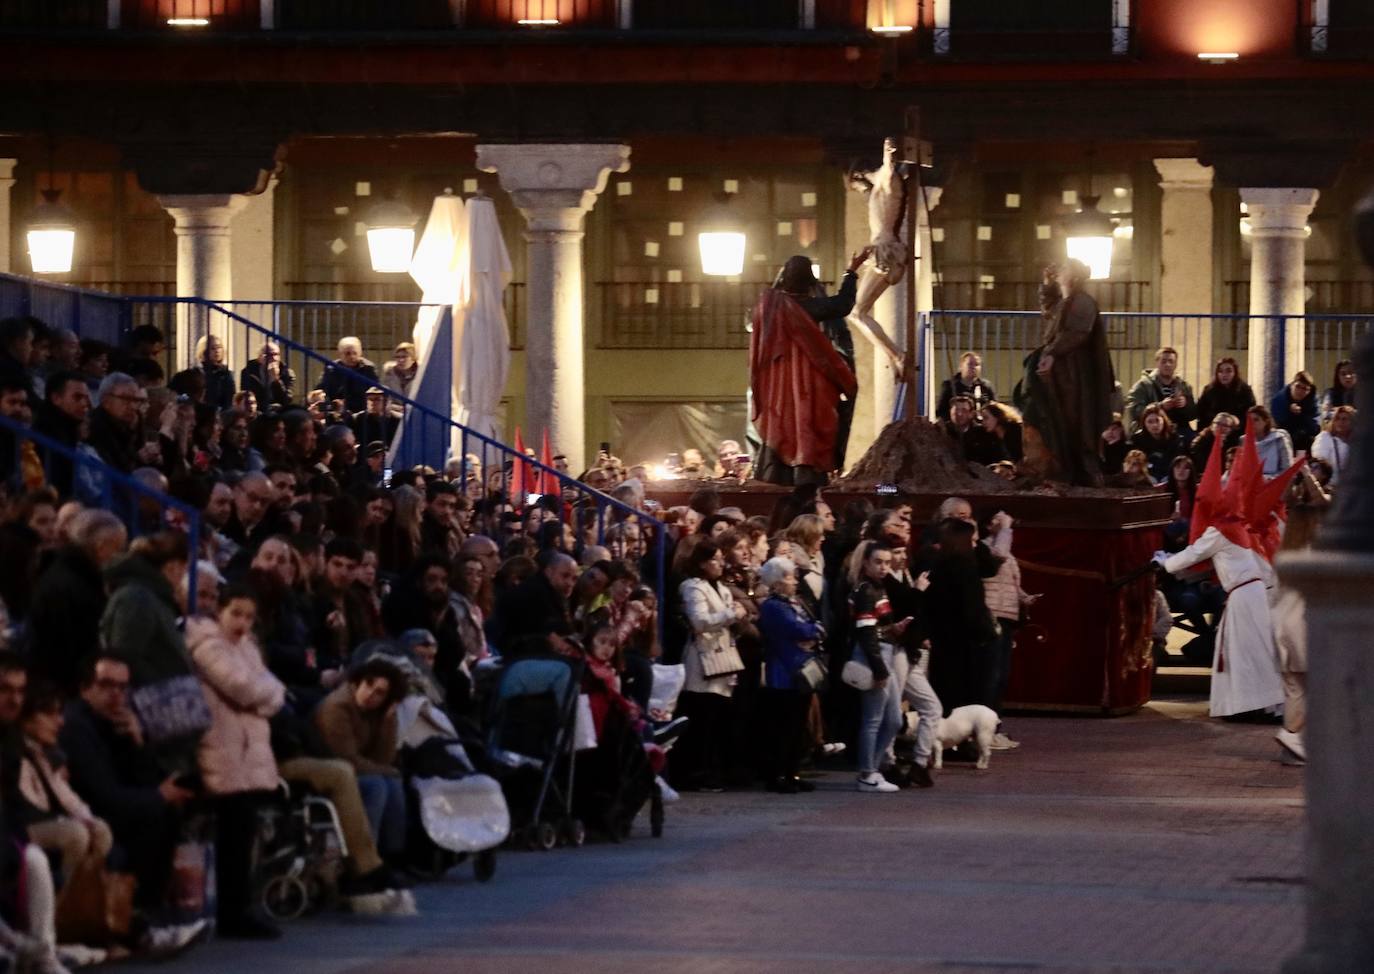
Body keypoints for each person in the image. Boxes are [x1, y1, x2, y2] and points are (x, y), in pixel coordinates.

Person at [1155, 423, 1303, 718]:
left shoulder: (1220, 530)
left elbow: (1193, 554)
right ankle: (1250, 704)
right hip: (1250, 594)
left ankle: (1255, 706)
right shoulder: (1236, 527)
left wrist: (1163, 561)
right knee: (1245, 651)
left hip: (1245, 596)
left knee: (1247, 652)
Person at [185, 585, 285, 939]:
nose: (242, 622)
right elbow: (242, 686)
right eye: (236, 613)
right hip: (223, 751)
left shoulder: (246, 647)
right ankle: (233, 911)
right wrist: (263, 696)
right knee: (233, 835)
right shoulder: (208, 645)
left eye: (248, 616)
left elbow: (272, 690)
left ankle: (242, 905)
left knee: (244, 835)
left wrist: (263, 696)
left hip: (245, 753)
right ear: (221, 612)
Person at [59, 654, 191, 911]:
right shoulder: (76, 727)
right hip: (90, 814)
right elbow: (103, 796)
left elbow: (143, 778)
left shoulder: (113, 722)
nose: (116, 695)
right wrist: (159, 796)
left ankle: (149, 910)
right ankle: (141, 912)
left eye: (122, 687)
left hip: (113, 809)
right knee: (155, 813)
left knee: (166, 810)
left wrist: (137, 741)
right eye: (106, 685)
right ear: (86, 688)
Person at [749, 251, 867, 485]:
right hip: (810, 379)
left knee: (782, 423)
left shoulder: (768, 306)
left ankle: (776, 471)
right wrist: (851, 271)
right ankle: (807, 469)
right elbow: (843, 304)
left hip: (778, 382)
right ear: (810, 281)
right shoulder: (810, 307)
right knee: (808, 420)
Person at [1022, 260, 1115, 486]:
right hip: (1062, 372)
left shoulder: (1084, 302)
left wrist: (1051, 353)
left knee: (1076, 421)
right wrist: (1046, 284)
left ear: (1073, 276)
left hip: (1075, 374)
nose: (1059, 272)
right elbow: (1050, 312)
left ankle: (1082, 470)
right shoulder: (1066, 301)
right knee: (1059, 418)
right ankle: (1062, 466)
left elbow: (1076, 332)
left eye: (1064, 269)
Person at [17, 681, 115, 886]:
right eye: (50, 715)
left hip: (45, 820)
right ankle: (65, 903)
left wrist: (85, 817)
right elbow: (25, 808)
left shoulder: (42, 754)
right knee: (75, 834)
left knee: (99, 829)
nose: (60, 722)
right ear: (27, 719)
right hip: (19, 828)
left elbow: (64, 794)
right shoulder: (15, 753)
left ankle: (87, 899)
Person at [314, 657, 408, 870]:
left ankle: (392, 857)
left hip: (355, 768)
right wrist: (387, 770)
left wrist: (387, 721)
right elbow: (346, 758)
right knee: (377, 785)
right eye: (368, 685)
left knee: (392, 783)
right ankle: (364, 861)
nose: (370, 695)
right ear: (359, 681)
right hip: (332, 769)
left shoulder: (376, 712)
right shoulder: (337, 707)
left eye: (380, 693)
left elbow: (383, 758)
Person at [27, 509, 126, 695]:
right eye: (118, 549)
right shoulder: (73, 586)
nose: (119, 558)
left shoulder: (67, 576)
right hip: (64, 690)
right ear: (101, 546)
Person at [675, 540, 744, 792]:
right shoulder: (693, 587)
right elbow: (699, 621)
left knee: (716, 720)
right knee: (701, 718)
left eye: (721, 558)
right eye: (715, 559)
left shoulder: (723, 589)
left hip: (723, 657)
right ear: (703, 563)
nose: (720, 563)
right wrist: (730, 615)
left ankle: (712, 770)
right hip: (703, 659)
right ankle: (696, 773)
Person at [848, 540, 912, 794]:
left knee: (894, 719)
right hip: (873, 656)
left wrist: (893, 629)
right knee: (873, 719)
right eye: (878, 562)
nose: (884, 567)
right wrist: (879, 668)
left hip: (884, 650)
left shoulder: (878, 588)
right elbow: (865, 633)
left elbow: (874, 628)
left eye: (887, 562)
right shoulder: (866, 590)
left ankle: (871, 769)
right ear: (866, 563)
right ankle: (867, 773)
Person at [755, 557, 823, 794]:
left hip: (800, 669)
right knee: (783, 726)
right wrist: (811, 631)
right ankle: (778, 774)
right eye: (789, 577)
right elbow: (796, 628)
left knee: (798, 725)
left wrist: (813, 631)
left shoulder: (795, 602)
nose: (794, 582)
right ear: (775, 582)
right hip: (784, 671)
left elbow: (815, 624)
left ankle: (792, 772)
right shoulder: (773, 606)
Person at [1126, 346, 1197, 437]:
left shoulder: (1184, 386)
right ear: (1157, 363)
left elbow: (1193, 414)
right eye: (1163, 361)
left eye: (1171, 361)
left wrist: (1185, 405)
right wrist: (1160, 407)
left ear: (1176, 364)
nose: (1167, 364)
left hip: (1178, 431)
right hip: (1151, 432)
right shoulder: (1143, 386)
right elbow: (1134, 411)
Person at [315, 337, 379, 416]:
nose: (351, 357)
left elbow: (374, 394)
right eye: (347, 353)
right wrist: (318, 396)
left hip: (361, 411)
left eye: (355, 353)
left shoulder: (368, 369)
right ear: (339, 354)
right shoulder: (331, 368)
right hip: (336, 409)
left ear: (360, 353)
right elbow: (322, 389)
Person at [1196, 357, 1256, 431]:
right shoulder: (1209, 390)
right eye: (1220, 371)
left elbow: (1250, 413)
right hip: (1213, 430)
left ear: (1235, 373)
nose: (1224, 375)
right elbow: (1201, 413)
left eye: (1228, 371)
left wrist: (1235, 421)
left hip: (1237, 431)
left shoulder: (1245, 390)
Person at [936, 351, 997, 422]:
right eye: (970, 364)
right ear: (961, 366)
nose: (974, 367)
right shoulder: (949, 386)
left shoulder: (986, 386)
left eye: (977, 365)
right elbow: (941, 411)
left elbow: (995, 410)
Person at [1271, 370, 1320, 456]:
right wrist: (1288, 410)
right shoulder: (1280, 399)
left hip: (1305, 440)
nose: (1300, 391)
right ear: (1291, 386)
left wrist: (1301, 415)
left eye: (1305, 389)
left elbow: (1315, 427)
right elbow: (1277, 421)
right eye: (1298, 386)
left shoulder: (1313, 401)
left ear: (1309, 391)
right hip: (1284, 439)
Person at [1129, 402, 1181, 483]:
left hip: (1168, 474)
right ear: (1144, 423)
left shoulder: (1173, 437)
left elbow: (1175, 461)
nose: (1154, 425)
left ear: (1164, 420)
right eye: (1150, 422)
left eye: (1157, 420)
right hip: (1147, 475)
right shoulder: (1137, 439)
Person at [1239, 405, 1294, 478]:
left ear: (1266, 421)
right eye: (1249, 420)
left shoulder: (1279, 439)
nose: (1252, 424)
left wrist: (1268, 479)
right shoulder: (1244, 440)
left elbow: (1287, 468)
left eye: (1256, 420)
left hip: (1274, 483)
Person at [239, 341, 295, 412]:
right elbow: (247, 395)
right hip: (256, 410)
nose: (273, 358)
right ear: (259, 357)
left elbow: (287, 400)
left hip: (279, 411)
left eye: (276, 354)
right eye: (269, 355)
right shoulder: (248, 371)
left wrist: (276, 380)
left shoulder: (287, 373)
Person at [1311, 405, 1355, 486]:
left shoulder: (1357, 443)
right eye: (1337, 418)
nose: (1340, 422)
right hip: (1330, 487)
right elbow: (1319, 463)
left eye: (1345, 419)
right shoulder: (1325, 438)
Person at [970, 401, 1024, 466]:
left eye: (986, 418)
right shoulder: (990, 436)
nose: (983, 422)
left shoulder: (1015, 432)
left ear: (998, 417)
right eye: (982, 419)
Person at [192, 335, 235, 411]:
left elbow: (230, 400)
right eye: (213, 348)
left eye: (219, 347)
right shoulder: (197, 373)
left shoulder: (227, 373)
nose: (217, 351)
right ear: (204, 351)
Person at [380, 342, 416, 420]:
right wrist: (397, 408)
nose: (400, 360)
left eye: (404, 357)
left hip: (415, 412)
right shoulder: (389, 373)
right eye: (397, 357)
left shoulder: (420, 373)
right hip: (394, 412)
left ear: (413, 359)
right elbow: (385, 397)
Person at [1319, 359, 1356, 425]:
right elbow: (1326, 415)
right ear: (1338, 376)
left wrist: (1349, 411)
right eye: (1343, 374)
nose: (1347, 376)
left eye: (1351, 373)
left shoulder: (1365, 394)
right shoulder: (1330, 393)